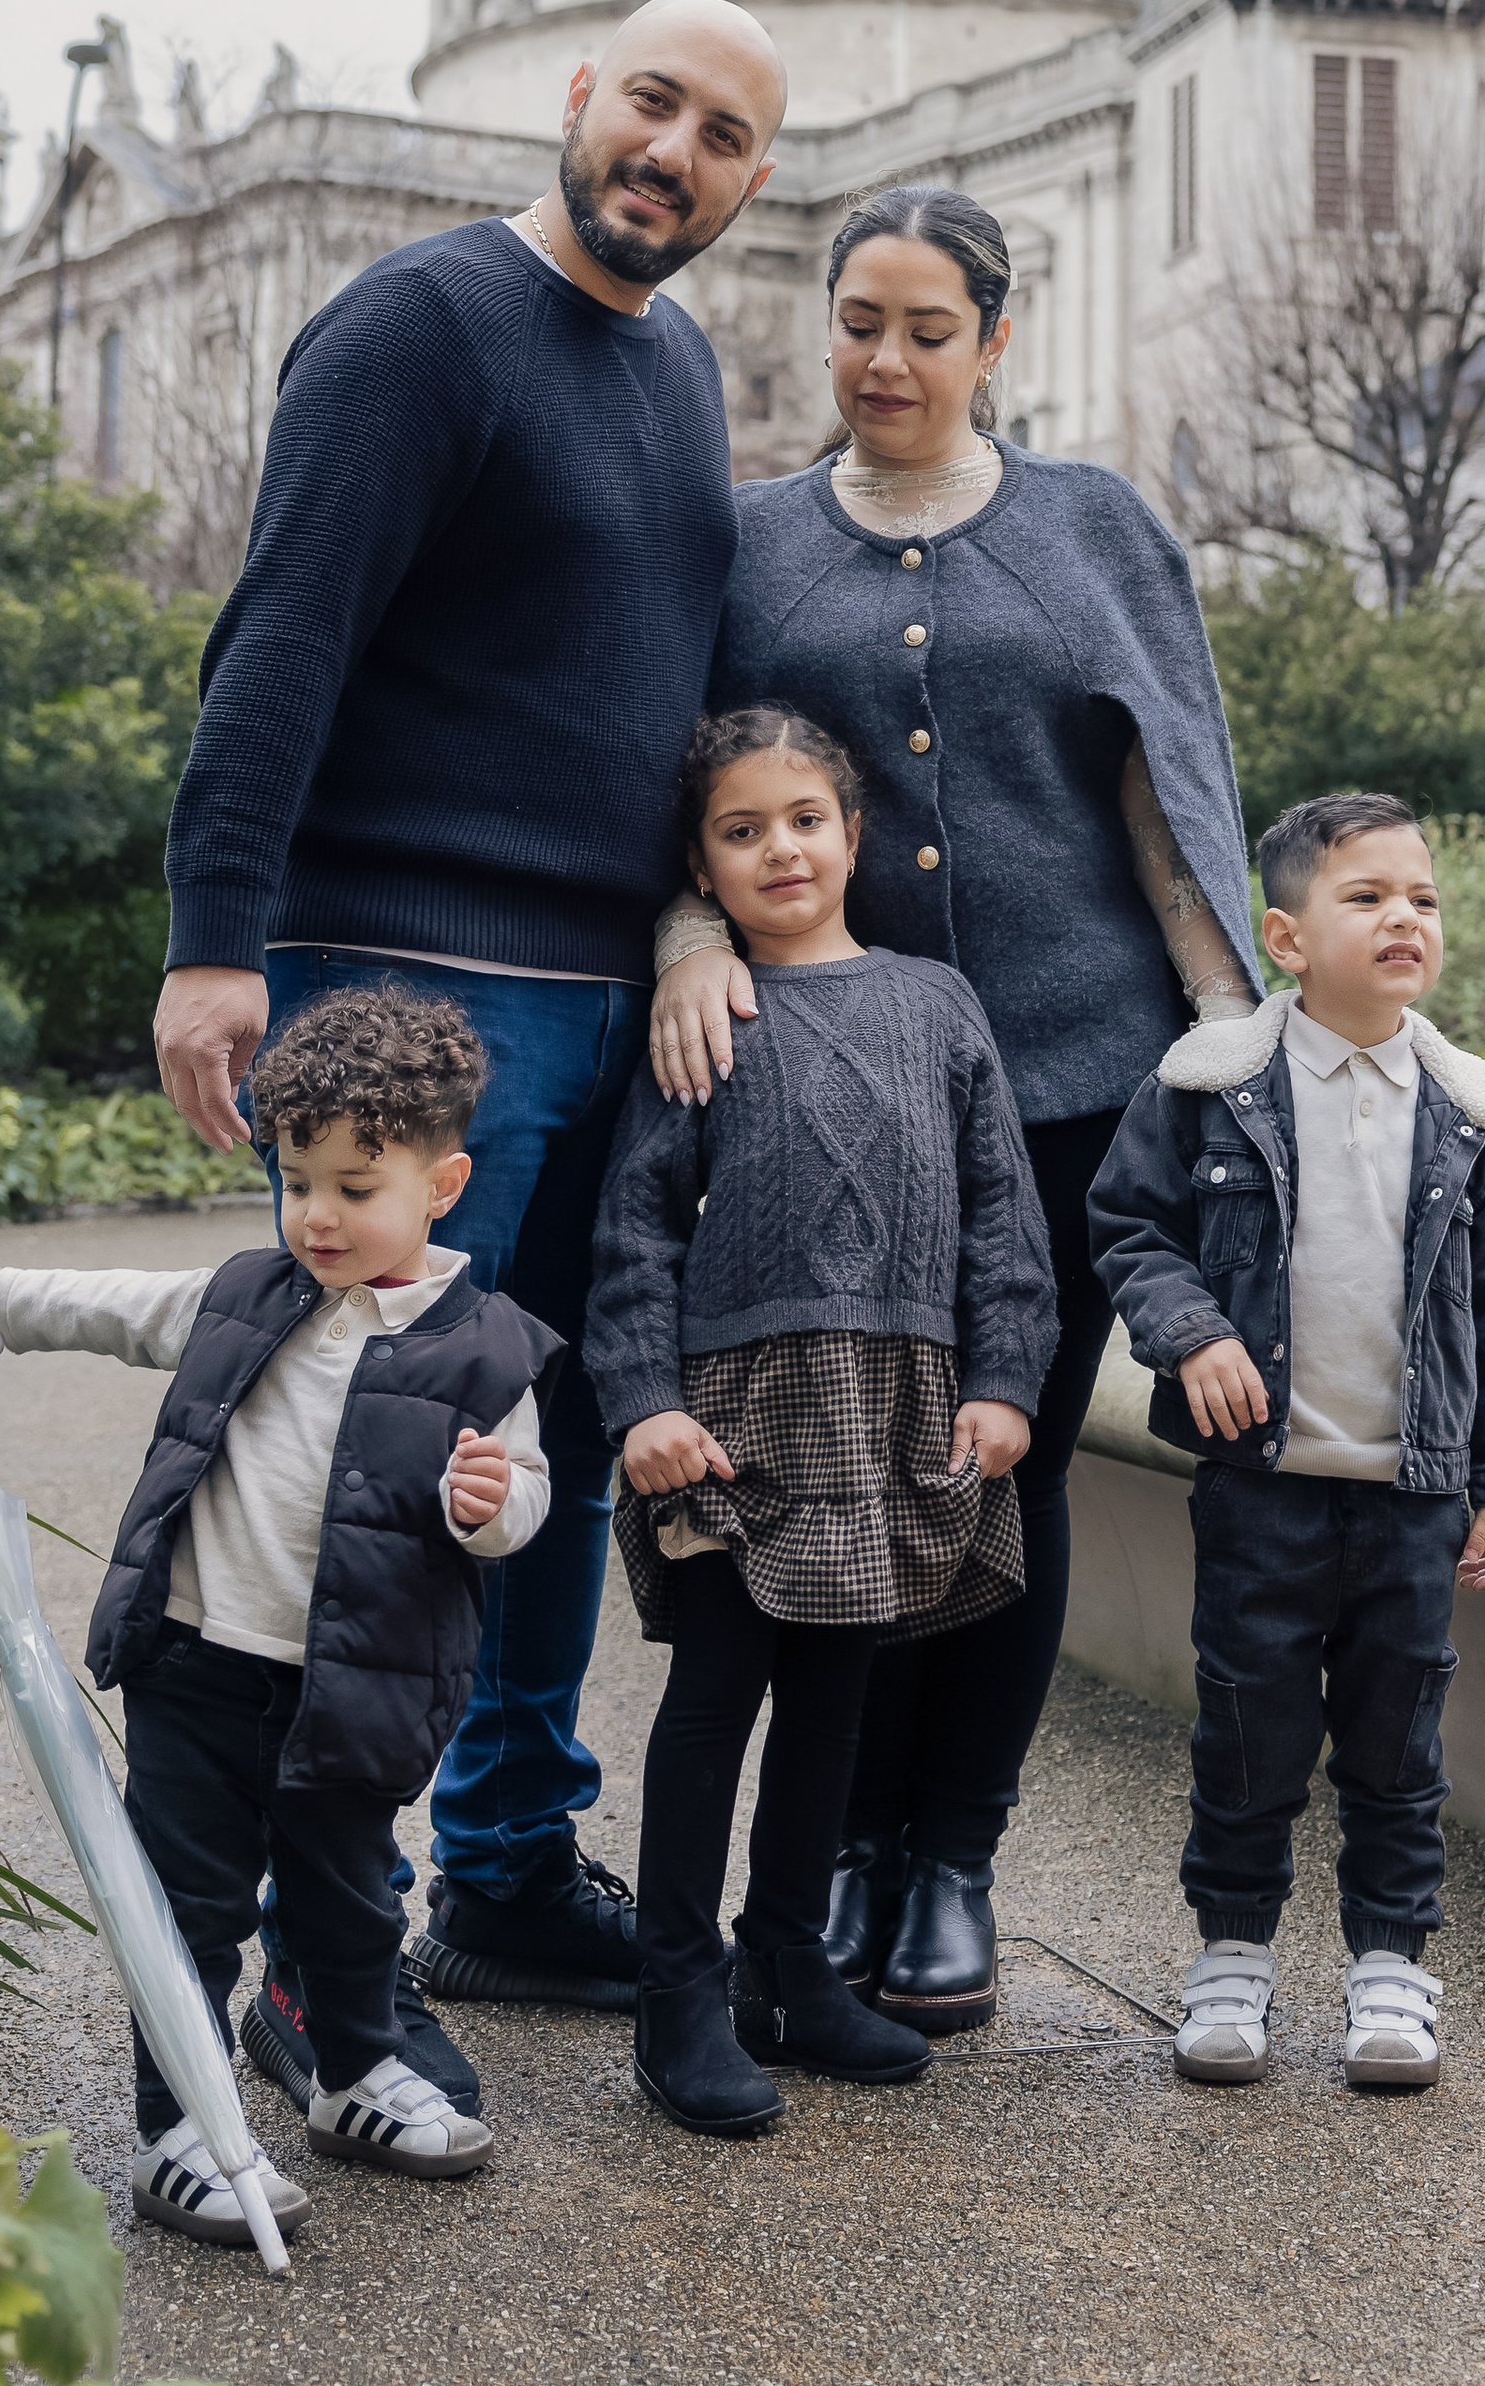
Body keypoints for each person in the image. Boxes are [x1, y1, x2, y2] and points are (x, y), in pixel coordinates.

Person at [150, 0, 786, 2091]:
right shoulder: (419, 325)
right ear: (577, 95)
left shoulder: (677, 367)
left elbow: (663, 699)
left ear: (751, 178)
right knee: (378, 1472)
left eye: (725, 135)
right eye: (653, 102)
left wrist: (688, 924)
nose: (674, 152)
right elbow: (282, 639)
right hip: (407, 982)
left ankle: (506, 1864)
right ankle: (317, 1949)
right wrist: (213, 942)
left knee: (562, 1446)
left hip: (608, 1002)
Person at [650, 186, 1256, 2034]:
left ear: (997, 340)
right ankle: (838, 1850)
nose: (887, 361)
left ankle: (951, 1862)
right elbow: (681, 782)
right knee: (850, 1461)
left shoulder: (1093, 526)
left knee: (1008, 1456)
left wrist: (1229, 1042)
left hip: (1078, 1079)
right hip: (839, 1094)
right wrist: (688, 936)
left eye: (928, 329)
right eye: (860, 323)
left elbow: (1170, 790)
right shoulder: (752, 546)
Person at [0, 988, 553, 2243]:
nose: (317, 1214)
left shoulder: (487, 1352)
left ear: (442, 1185)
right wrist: (2, 1293)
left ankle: (355, 2073)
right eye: (296, 1180)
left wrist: (490, 1504)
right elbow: (115, 1306)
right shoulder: (246, 1294)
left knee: (350, 1903)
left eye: (355, 1187)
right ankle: (182, 2130)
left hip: (352, 1687)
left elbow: (524, 1493)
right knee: (187, 1909)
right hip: (197, 1670)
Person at [589, 707, 1057, 2133]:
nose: (779, 849)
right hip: (737, 1420)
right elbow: (635, 1228)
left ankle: (786, 1968)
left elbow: (1002, 1211)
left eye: (804, 819)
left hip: (891, 1410)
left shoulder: (938, 1002)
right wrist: (644, 1402)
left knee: (837, 1701)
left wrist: (1005, 1378)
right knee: (715, 1697)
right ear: (702, 866)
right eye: (742, 830)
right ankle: (679, 1995)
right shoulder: (706, 1012)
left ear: (855, 835)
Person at [1087, 792, 1485, 2098]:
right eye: (1368, 896)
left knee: (1400, 1746)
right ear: (1286, 937)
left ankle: (1391, 1966)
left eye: (1423, 898)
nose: (1405, 917)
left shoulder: (1474, 1113)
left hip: (1413, 1495)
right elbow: (1128, 1225)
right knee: (1249, 1732)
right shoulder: (1210, 1087)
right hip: (1263, 1489)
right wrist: (1190, 1332)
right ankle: (1232, 1954)